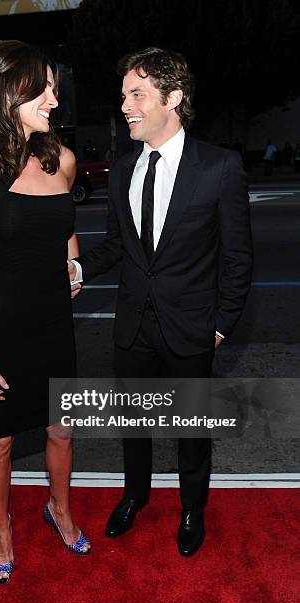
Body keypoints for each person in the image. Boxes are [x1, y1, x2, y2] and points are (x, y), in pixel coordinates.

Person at [69, 47, 253, 557]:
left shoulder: (219, 168)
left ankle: (193, 507)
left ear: (172, 98)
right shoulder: (124, 168)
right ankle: (135, 495)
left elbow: (238, 259)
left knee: (190, 430)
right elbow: (117, 246)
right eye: (124, 93)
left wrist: (219, 326)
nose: (124, 105)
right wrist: (80, 268)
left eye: (137, 94)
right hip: (132, 326)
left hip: (191, 328)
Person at [0, 40, 91, 584]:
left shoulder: (64, 161)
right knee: (0, 439)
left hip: (55, 321)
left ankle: (60, 509)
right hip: (2, 326)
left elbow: (65, 228)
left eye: (54, 88)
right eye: (45, 88)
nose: (55, 99)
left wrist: (73, 263)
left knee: (63, 428)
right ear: (10, 95)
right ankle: (2, 528)